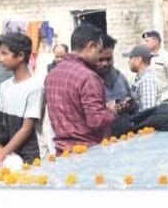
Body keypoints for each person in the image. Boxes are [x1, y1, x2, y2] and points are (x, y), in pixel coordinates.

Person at [45, 23, 117, 151]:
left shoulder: (52, 75)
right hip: (87, 153)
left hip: (62, 151)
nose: (99, 57)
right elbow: (96, 120)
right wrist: (111, 111)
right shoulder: (88, 77)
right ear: (90, 46)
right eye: (99, 51)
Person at [0, 33, 45, 168]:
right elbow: (4, 124)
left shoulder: (35, 87)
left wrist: (2, 153)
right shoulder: (5, 86)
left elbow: (26, 129)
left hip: (31, 155)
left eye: (5, 54)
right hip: (12, 154)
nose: (1, 58)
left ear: (21, 56)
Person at [125, 44, 161, 112]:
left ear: (138, 60)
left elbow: (147, 112)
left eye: (130, 58)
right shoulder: (141, 78)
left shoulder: (147, 81)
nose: (128, 62)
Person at [96, 35, 131, 105]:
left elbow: (133, 105)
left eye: (109, 59)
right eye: (100, 60)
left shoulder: (120, 77)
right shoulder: (88, 82)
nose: (105, 64)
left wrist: (130, 103)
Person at [141, 30, 168, 101]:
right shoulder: (144, 58)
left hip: (164, 100)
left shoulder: (167, 58)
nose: (144, 44)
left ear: (156, 41)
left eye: (147, 41)